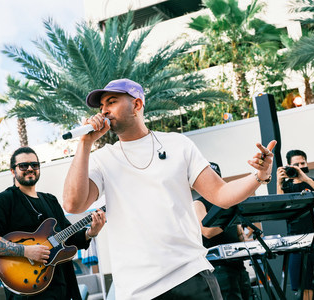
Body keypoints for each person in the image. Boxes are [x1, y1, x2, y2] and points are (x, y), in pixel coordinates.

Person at [63, 78, 276, 299]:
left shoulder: (178, 145)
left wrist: (259, 176)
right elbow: (73, 204)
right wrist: (85, 144)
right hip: (136, 291)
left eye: (112, 102)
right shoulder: (102, 159)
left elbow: (221, 195)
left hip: (189, 276)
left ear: (136, 105)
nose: (104, 111)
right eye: (101, 106)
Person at [0, 146, 106, 300]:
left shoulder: (50, 200)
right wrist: (26, 251)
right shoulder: (4, 200)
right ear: (13, 171)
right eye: (23, 166)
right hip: (29, 291)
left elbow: (68, 237)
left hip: (62, 287)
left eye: (35, 165)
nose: (30, 168)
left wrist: (90, 232)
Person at [277, 149, 314, 300]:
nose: (300, 166)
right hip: (297, 241)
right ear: (289, 166)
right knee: (304, 288)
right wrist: (279, 182)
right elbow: (280, 208)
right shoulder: (287, 187)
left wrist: (306, 179)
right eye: (296, 164)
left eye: (303, 163)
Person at [193, 162, 252, 300]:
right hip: (219, 266)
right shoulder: (198, 203)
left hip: (238, 264)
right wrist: (230, 218)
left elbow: (239, 234)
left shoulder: (227, 203)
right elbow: (206, 232)